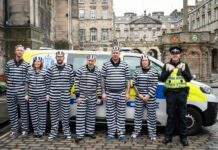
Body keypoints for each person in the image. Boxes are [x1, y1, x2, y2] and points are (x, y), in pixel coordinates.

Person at [160, 46, 192, 146]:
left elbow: (189, 79)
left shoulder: (184, 65)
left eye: (176, 53)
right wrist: (168, 71)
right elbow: (161, 78)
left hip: (182, 93)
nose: (175, 55)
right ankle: (168, 136)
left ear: (179, 55)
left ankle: (184, 137)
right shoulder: (166, 65)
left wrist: (182, 71)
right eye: (173, 53)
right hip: (170, 94)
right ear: (171, 55)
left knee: (182, 116)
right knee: (171, 115)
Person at [101, 47, 130, 142]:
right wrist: (103, 92)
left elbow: (128, 80)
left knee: (121, 115)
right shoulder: (106, 65)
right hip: (109, 93)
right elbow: (102, 79)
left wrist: (127, 93)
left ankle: (121, 134)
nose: (115, 54)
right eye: (113, 52)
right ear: (111, 53)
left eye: (116, 52)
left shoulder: (125, 65)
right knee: (110, 115)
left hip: (121, 93)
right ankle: (111, 134)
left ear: (119, 53)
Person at [46, 51, 74, 141]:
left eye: (61, 56)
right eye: (58, 56)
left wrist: (66, 89)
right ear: (56, 57)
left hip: (65, 96)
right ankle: (53, 133)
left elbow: (71, 81)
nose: (59, 58)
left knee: (65, 115)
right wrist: (49, 93)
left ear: (63, 58)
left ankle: (67, 133)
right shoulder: (51, 68)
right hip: (53, 95)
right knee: (54, 115)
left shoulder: (69, 68)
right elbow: (47, 82)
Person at [75, 54, 102, 143]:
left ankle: (89, 132)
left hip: (92, 96)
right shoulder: (81, 70)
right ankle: (79, 134)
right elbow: (77, 84)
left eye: (92, 60)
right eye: (89, 60)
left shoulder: (97, 72)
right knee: (80, 116)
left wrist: (99, 97)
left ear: (95, 61)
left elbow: (99, 85)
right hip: (82, 96)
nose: (90, 62)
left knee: (91, 115)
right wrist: (78, 96)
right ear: (87, 60)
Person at [5, 45, 30, 138]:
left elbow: (28, 80)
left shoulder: (27, 65)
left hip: (22, 91)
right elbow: (7, 75)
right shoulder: (9, 63)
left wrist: (26, 93)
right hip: (11, 91)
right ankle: (14, 130)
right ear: (15, 51)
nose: (19, 52)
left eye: (21, 50)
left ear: (23, 52)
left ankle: (24, 130)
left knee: (24, 112)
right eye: (18, 50)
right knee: (12, 112)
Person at [131, 55, 158, 141]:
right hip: (139, 97)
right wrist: (139, 94)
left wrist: (148, 95)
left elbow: (155, 84)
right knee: (138, 115)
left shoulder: (154, 71)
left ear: (148, 61)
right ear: (141, 62)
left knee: (151, 116)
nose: (144, 62)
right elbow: (134, 84)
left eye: (146, 60)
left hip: (150, 97)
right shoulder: (137, 71)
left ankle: (152, 134)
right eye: (143, 60)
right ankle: (136, 132)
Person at [25, 56, 47, 138]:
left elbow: (47, 84)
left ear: (41, 63)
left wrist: (47, 94)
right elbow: (26, 83)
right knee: (34, 115)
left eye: (39, 61)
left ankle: (42, 131)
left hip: (42, 96)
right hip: (32, 97)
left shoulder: (45, 71)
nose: (37, 63)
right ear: (33, 62)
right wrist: (26, 94)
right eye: (36, 61)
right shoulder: (29, 71)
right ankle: (36, 131)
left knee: (42, 115)